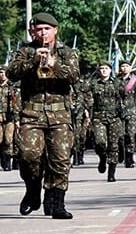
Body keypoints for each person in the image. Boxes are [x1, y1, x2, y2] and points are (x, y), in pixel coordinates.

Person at [5, 12, 80, 219]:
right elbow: (11, 74)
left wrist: (53, 63)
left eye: (47, 29)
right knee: (28, 155)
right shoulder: (25, 51)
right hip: (32, 113)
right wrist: (32, 62)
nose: (43, 33)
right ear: (33, 32)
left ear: (55, 30)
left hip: (59, 115)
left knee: (60, 159)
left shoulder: (67, 53)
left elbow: (74, 76)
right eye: (39, 29)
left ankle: (57, 203)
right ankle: (32, 189)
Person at [89, 61, 122, 182]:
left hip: (114, 117)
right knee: (99, 142)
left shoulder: (117, 83)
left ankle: (111, 173)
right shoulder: (93, 84)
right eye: (101, 68)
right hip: (98, 117)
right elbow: (86, 95)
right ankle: (102, 157)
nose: (104, 70)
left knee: (113, 146)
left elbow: (128, 93)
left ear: (110, 70)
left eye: (106, 68)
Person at [0, 68, 19, 171]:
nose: (2, 75)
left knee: (8, 140)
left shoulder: (12, 87)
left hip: (9, 118)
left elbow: (16, 103)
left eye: (4, 73)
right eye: (0, 72)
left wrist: (16, 118)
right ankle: (2, 157)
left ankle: (7, 162)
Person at [117, 60, 136, 168]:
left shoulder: (135, 81)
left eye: (127, 66)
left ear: (130, 68)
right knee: (119, 136)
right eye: (122, 66)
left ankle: (129, 157)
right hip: (118, 112)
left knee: (131, 135)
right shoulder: (115, 81)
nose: (124, 68)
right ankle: (121, 153)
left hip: (132, 112)